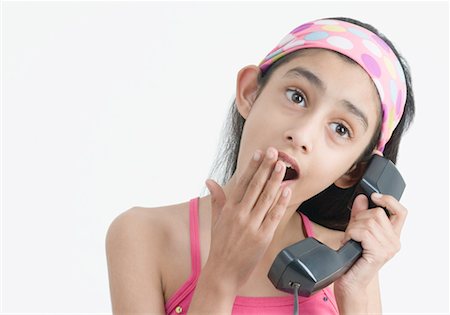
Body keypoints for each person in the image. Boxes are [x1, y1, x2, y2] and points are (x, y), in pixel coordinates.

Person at [106, 17, 415, 314]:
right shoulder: (143, 235)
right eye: (297, 97)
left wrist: (355, 294)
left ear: (354, 171)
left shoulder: (348, 262)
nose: (302, 135)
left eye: (340, 129)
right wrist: (221, 276)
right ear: (250, 92)